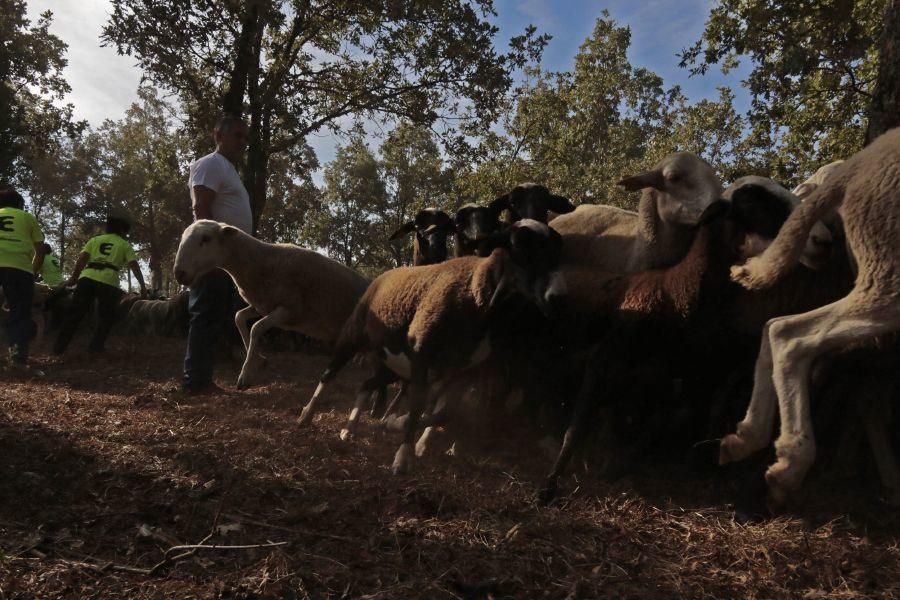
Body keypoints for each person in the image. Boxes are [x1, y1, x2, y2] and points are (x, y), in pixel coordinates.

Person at [182, 114, 251, 395]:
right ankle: (195, 381)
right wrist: (207, 252)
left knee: (215, 314)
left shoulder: (229, 170)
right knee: (205, 313)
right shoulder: (211, 164)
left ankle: (202, 377)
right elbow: (201, 209)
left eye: (245, 138)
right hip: (212, 257)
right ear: (218, 136)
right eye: (237, 135)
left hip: (225, 259)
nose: (243, 142)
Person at [53, 208, 147, 356]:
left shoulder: (94, 240)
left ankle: (58, 349)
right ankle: (95, 348)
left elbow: (82, 259)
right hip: (108, 281)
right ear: (122, 230)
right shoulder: (124, 244)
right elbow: (134, 265)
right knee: (106, 317)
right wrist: (142, 286)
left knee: (75, 314)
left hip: (87, 277)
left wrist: (74, 277)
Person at [0, 189, 46, 366]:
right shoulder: (27, 217)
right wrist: (32, 273)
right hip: (19, 268)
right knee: (19, 312)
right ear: (20, 204)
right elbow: (40, 250)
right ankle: (17, 357)